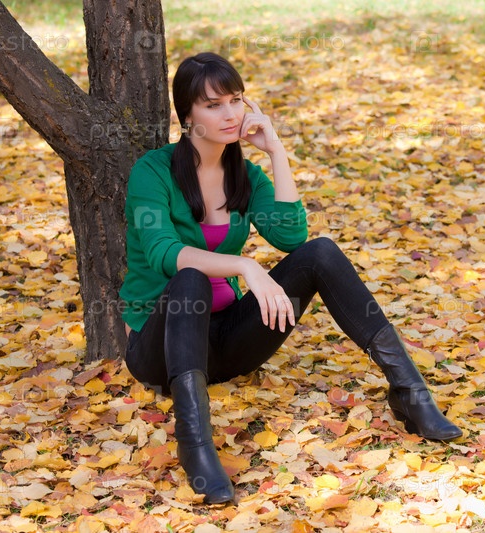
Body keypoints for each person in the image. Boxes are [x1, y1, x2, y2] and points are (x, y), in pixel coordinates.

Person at [119, 52, 461, 505]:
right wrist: (245, 266)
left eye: (236, 100)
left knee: (320, 251)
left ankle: (410, 393)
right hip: (162, 352)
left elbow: (290, 237)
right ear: (187, 116)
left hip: (227, 345)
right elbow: (163, 253)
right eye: (213, 105)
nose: (230, 113)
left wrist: (276, 151)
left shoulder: (244, 175)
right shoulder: (152, 171)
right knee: (189, 278)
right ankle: (195, 446)